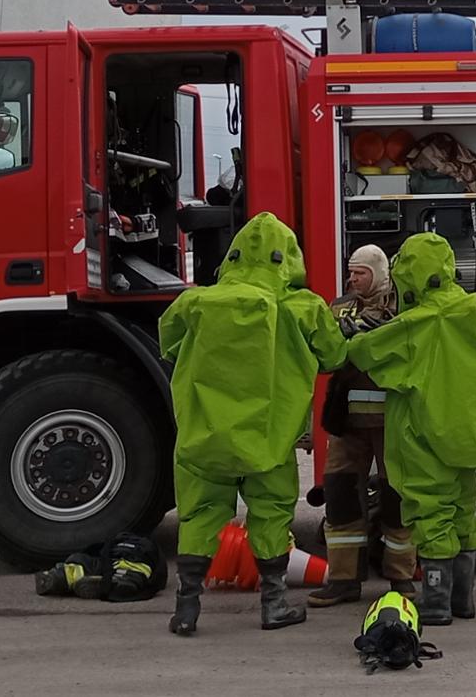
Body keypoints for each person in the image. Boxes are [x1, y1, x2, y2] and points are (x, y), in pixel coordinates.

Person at [158, 213, 347, 635]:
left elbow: (169, 345)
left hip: (204, 438)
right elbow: (334, 357)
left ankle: (186, 610)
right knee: (271, 515)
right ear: (288, 258)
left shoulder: (193, 303)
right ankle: (273, 606)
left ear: (234, 255)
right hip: (269, 439)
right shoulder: (303, 308)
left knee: (199, 515)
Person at [347, 232, 476, 626]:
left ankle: (435, 605)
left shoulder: (417, 324)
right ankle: (462, 600)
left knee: (431, 512)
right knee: (463, 512)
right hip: (460, 436)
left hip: (423, 435)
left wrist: (353, 332)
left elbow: (363, 353)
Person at [308, 245, 417, 607]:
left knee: (396, 500)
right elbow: (324, 357)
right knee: (340, 498)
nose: (352, 279)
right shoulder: (339, 307)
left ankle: (401, 578)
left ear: (379, 272)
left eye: (361, 273)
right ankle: (343, 581)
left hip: (391, 422)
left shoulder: (404, 308)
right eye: (351, 272)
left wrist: (380, 334)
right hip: (347, 423)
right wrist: (339, 337)